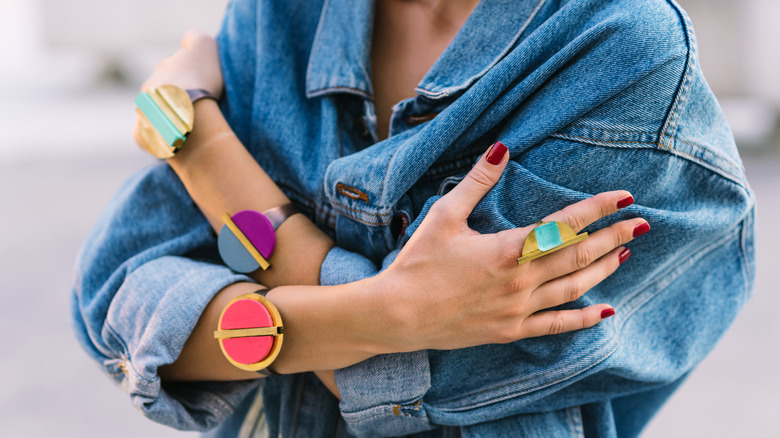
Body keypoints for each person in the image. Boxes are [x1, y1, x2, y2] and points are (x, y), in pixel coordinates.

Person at [72, 0, 756, 437]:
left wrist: (197, 141)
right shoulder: (279, 15)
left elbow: (441, 374)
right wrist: (394, 310)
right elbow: (120, 300)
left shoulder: (620, 49)